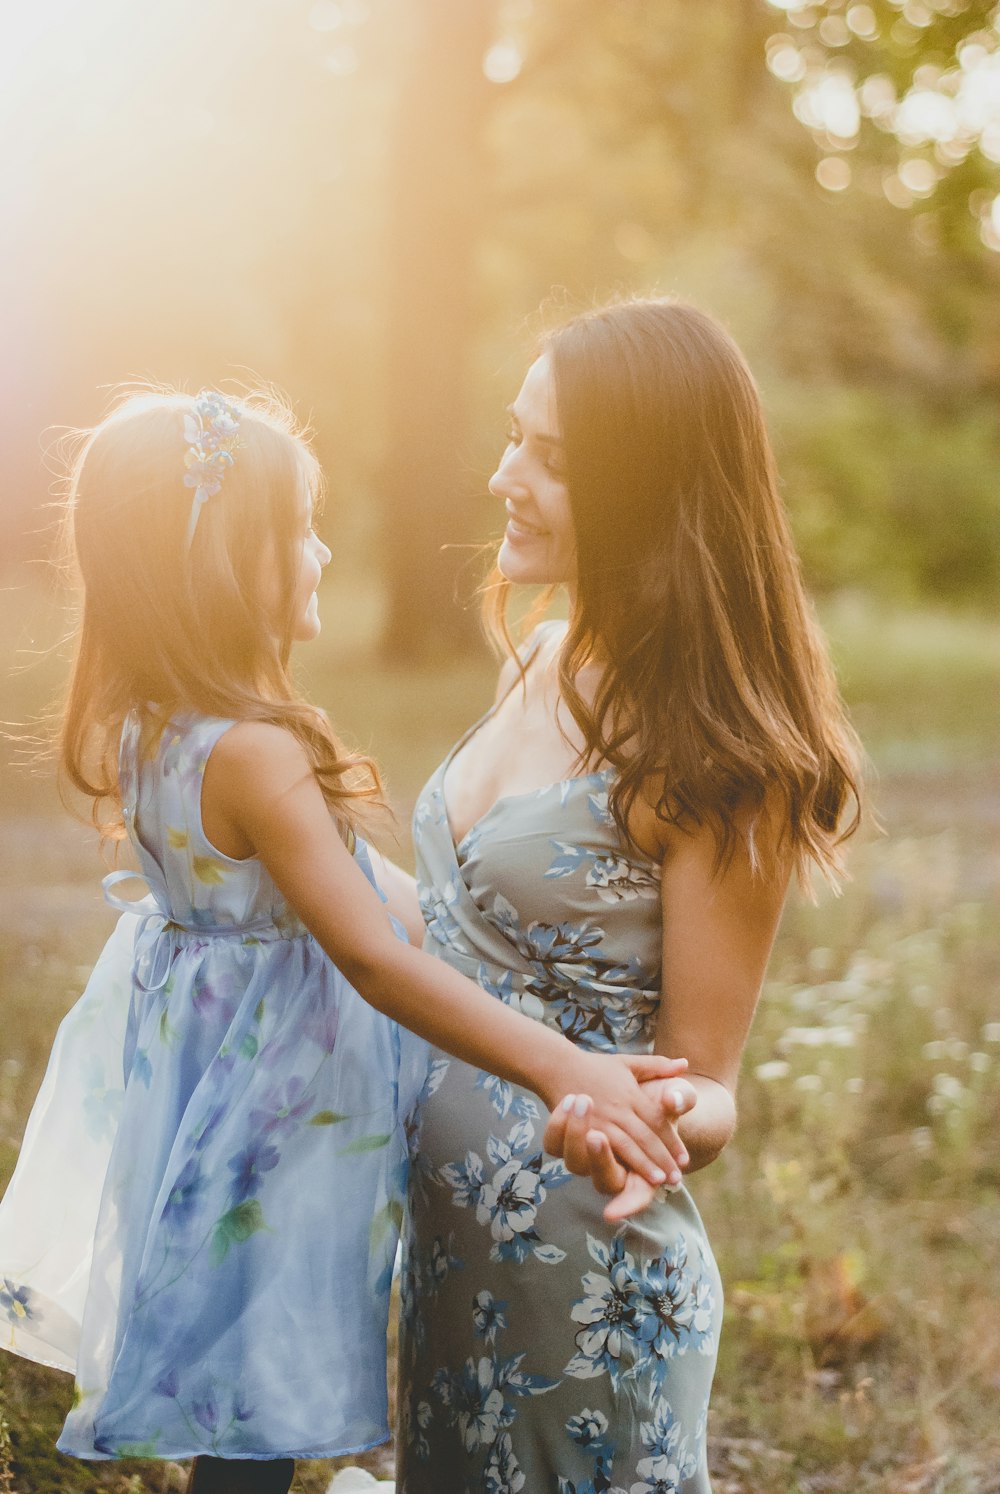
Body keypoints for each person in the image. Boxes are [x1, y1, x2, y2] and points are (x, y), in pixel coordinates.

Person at [0, 387, 688, 1494]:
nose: (322, 551)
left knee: (235, 1395)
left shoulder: (154, 724)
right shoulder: (257, 755)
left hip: (208, 1096)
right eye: (299, 531)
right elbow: (372, 953)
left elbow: (373, 899)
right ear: (226, 565)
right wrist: (567, 1063)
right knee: (256, 1409)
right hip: (273, 1124)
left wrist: (491, 934)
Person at [393, 298, 862, 1492]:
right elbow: (453, 939)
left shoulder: (711, 759)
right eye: (513, 437)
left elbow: (706, 1084)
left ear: (646, 491)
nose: (505, 476)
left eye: (551, 460)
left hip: (587, 1295)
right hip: (451, 1263)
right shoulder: (540, 659)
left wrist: (647, 1132)